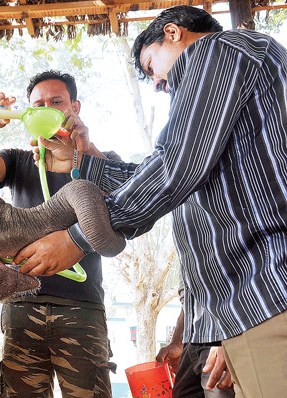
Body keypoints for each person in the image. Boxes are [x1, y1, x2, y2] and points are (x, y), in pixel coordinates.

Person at [30, 6, 287, 398]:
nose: (158, 85)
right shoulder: (233, 84)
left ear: (173, 33)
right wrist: (83, 160)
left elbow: (173, 167)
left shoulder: (220, 50)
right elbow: (164, 174)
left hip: (267, 286)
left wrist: (80, 238)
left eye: (151, 67)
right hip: (245, 303)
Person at [0, 70, 116, 398]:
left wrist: (84, 151)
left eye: (56, 102)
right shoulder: (20, 161)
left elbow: (126, 198)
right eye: (38, 104)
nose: (47, 108)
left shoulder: (102, 161)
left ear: (74, 106)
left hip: (81, 308)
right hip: (22, 305)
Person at [156, 280, 234, 397]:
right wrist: (178, 342)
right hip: (191, 339)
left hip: (220, 335)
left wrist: (228, 338)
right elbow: (188, 300)